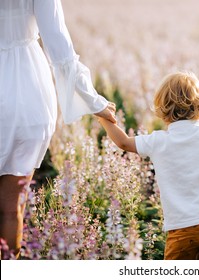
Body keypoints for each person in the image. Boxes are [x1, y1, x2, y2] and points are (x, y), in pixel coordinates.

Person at [99, 71, 199, 260]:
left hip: (184, 227)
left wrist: (103, 118)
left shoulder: (158, 141)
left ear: (162, 108)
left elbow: (123, 142)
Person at [0, 0, 116, 258]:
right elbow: (60, 47)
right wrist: (93, 101)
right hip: (27, 94)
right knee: (11, 209)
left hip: (23, 95)